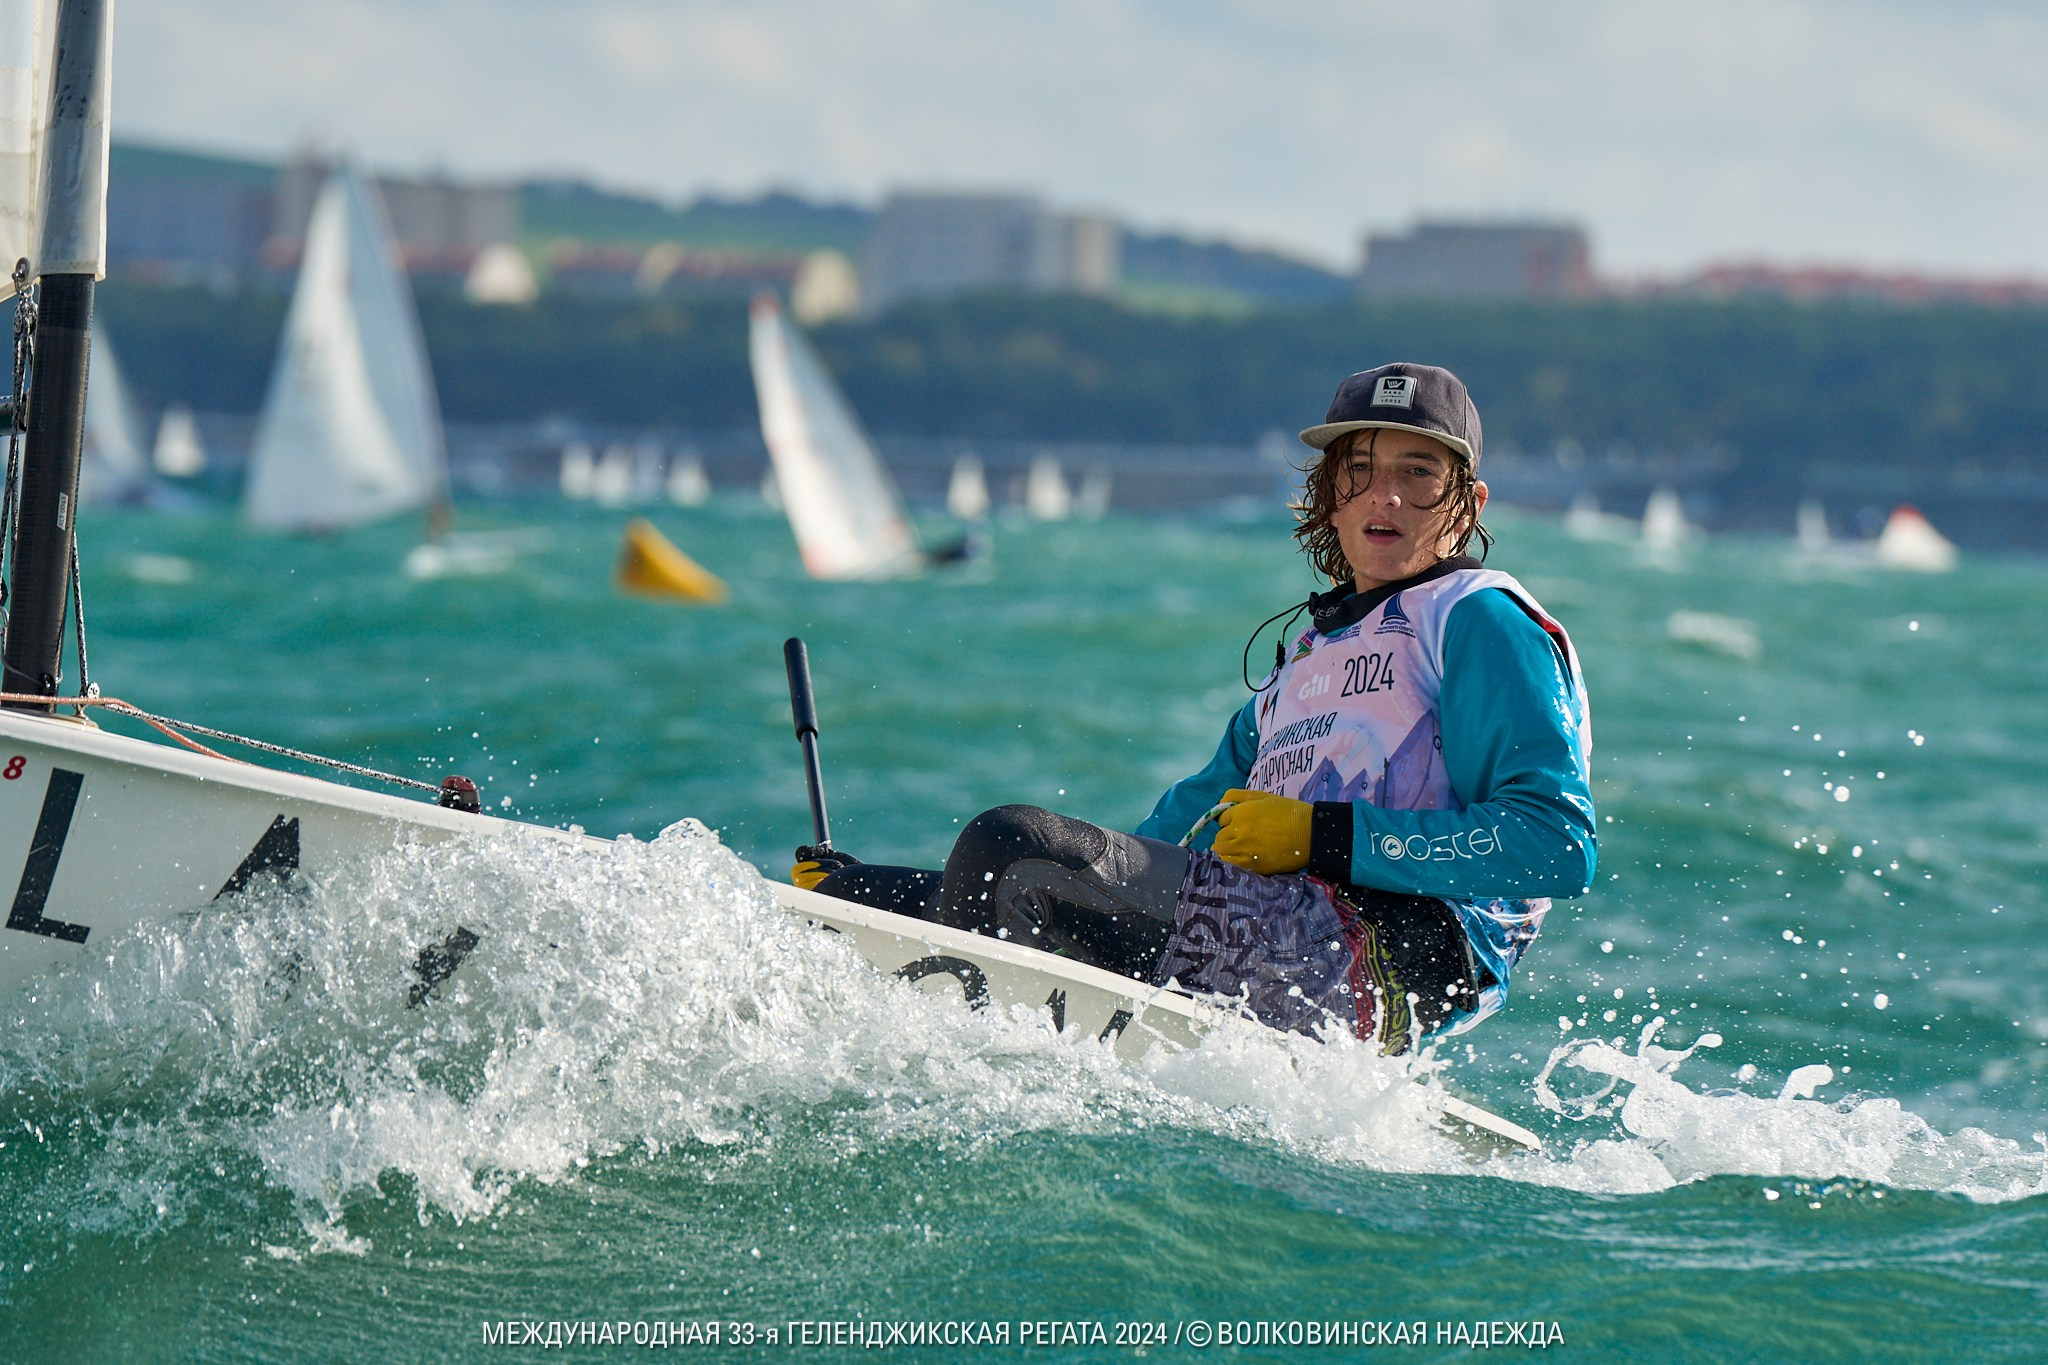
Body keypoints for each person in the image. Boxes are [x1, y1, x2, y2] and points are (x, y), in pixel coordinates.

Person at [794, 361, 1595, 1051]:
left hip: (1381, 966)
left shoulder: (1480, 619)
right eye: (1359, 469)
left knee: (1014, 844)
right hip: (1262, 929)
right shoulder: (1305, 662)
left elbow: (1557, 844)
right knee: (848, 901)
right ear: (1331, 494)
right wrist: (904, 895)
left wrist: (1321, 836)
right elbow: (1162, 835)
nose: (1383, 495)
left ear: (1470, 501)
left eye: (1418, 472)